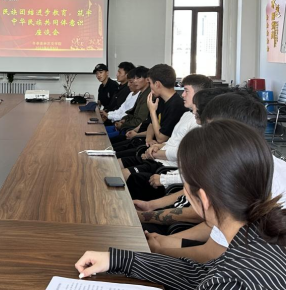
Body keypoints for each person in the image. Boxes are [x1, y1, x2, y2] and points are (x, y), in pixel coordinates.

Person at [75, 120, 286, 288]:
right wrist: (120, 260)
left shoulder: (233, 281)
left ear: (203, 199)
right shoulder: (258, 236)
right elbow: (199, 273)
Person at [138, 90, 286, 263]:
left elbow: (213, 252)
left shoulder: (261, 177)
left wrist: (160, 248)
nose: (205, 135)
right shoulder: (244, 162)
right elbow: (218, 227)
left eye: (210, 129)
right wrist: (168, 240)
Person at [120, 74, 213, 201]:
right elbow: (173, 141)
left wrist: (155, 153)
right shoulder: (187, 115)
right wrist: (159, 146)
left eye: (186, 91)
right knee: (117, 164)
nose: (182, 95)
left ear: (199, 94)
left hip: (166, 165)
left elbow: (183, 153)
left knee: (126, 176)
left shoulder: (199, 122)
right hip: (159, 158)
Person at [113, 64, 188, 157]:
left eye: (150, 83)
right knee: (112, 150)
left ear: (157, 84)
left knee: (115, 157)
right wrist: (148, 139)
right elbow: (151, 123)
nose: (150, 87)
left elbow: (161, 138)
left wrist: (152, 111)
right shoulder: (160, 99)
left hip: (159, 150)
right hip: (148, 143)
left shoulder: (176, 105)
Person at [107, 66, 151, 141]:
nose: (135, 81)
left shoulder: (148, 95)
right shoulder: (141, 93)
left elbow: (140, 120)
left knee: (104, 138)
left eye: (138, 78)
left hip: (133, 131)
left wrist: (123, 124)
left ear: (147, 79)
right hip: (128, 127)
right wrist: (124, 120)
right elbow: (132, 112)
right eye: (134, 78)